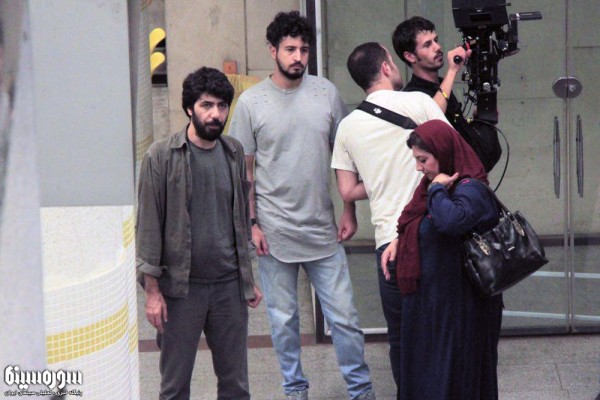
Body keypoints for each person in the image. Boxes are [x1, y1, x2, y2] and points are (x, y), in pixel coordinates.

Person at [228, 11, 375, 400]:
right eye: (290, 49)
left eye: (304, 50)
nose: (298, 57)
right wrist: (252, 224)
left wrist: (349, 209)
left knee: (345, 318)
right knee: (283, 322)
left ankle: (361, 391)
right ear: (272, 50)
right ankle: (295, 390)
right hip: (274, 233)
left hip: (322, 230)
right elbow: (244, 171)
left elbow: (345, 156)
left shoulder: (325, 93)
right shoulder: (251, 102)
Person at [331, 41, 450, 398]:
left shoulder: (348, 127)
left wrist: (380, 180)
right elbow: (451, 153)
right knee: (443, 331)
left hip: (389, 244)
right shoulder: (419, 102)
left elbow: (347, 189)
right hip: (434, 231)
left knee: (400, 337)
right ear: (386, 67)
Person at [136, 66, 263, 400]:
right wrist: (152, 293)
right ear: (189, 108)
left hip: (228, 288)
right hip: (181, 291)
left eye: (222, 106)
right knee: (175, 387)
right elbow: (148, 227)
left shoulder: (233, 152)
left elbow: (239, 220)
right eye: (207, 105)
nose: (215, 114)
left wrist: (247, 279)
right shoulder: (161, 156)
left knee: (236, 387)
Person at [381, 120, 503, 399]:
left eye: (423, 160)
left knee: (452, 376)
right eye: (416, 160)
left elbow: (450, 222)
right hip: (434, 304)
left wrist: (437, 188)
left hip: (460, 308)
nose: (418, 168)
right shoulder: (432, 188)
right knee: (431, 374)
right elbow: (418, 219)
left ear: (444, 152)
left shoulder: (470, 189)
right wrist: (399, 240)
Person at [392, 16, 501, 172]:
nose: (437, 47)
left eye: (436, 40)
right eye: (427, 45)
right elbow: (432, 118)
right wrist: (452, 70)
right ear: (410, 56)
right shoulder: (411, 95)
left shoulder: (442, 84)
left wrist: (482, 120)